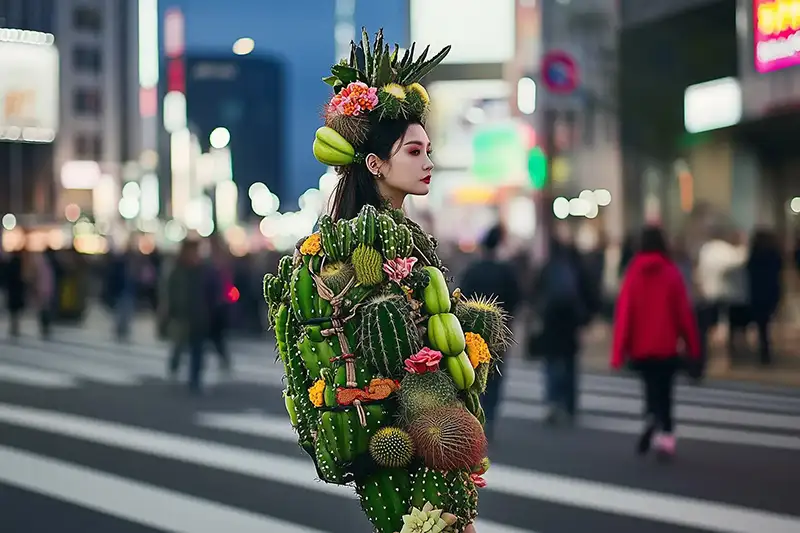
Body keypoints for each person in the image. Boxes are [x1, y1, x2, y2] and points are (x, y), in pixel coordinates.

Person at [267, 30, 485, 533]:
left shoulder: (405, 235)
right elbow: (377, 345)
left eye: (428, 149)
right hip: (400, 439)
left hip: (430, 433)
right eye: (413, 151)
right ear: (375, 163)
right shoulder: (355, 243)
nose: (428, 161)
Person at [611, 226, 700, 458]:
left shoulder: (633, 272)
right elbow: (683, 313)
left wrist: (618, 352)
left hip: (641, 347)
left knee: (650, 389)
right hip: (667, 345)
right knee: (666, 392)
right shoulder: (671, 272)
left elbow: (624, 314)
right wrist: (693, 345)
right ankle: (666, 436)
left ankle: (651, 416)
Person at [459, 225, 521, 441]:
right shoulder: (506, 270)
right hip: (499, 333)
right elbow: (516, 299)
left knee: (472, 377)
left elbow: (461, 297)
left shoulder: (473, 269)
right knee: (494, 376)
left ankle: (475, 417)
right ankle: (489, 418)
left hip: (471, 334)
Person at [535, 222, 595, 425]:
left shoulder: (548, 266)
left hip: (551, 321)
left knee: (552, 363)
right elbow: (588, 292)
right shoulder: (576, 266)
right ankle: (569, 404)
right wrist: (586, 318)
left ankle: (553, 401)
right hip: (570, 322)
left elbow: (536, 291)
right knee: (569, 363)